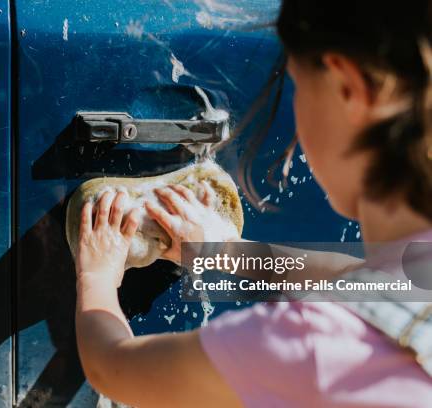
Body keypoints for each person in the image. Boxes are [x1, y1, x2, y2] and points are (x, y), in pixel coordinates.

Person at [74, 1, 432, 406]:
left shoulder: (311, 347)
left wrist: (97, 277)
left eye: (298, 85)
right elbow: (362, 280)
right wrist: (224, 253)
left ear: (347, 88)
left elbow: (115, 369)